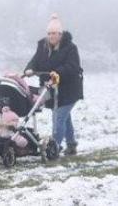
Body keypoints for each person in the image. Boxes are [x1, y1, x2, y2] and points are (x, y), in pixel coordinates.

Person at [24, 14, 84, 155]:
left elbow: (72, 66)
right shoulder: (42, 46)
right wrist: (29, 69)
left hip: (69, 90)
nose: (51, 36)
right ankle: (71, 145)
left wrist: (56, 72)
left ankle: (54, 147)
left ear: (60, 34)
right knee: (64, 117)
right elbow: (35, 60)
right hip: (51, 88)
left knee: (59, 117)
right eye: (49, 33)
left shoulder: (70, 48)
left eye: (54, 33)